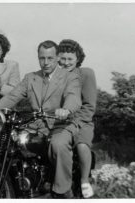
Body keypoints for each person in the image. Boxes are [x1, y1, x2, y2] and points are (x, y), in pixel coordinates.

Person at [0, 40, 81, 198]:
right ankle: (20, 182)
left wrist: (66, 109)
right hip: (35, 125)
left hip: (61, 124)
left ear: (57, 57)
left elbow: (73, 97)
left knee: (58, 144)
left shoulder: (70, 77)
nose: (45, 63)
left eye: (50, 58)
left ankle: (63, 191)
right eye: (42, 58)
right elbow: (12, 97)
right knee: (7, 140)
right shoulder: (30, 78)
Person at [58, 39, 97, 198]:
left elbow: (89, 106)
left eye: (70, 59)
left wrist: (75, 122)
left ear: (78, 59)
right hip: (60, 121)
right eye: (63, 59)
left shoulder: (86, 73)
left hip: (82, 121)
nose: (66, 63)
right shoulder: (56, 76)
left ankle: (84, 180)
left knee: (81, 145)